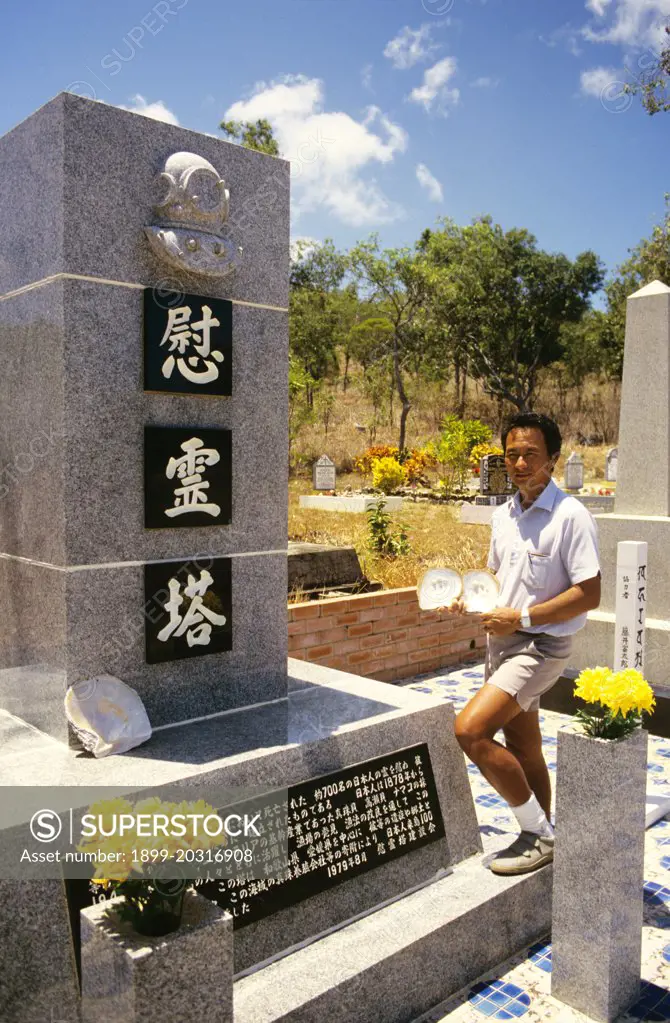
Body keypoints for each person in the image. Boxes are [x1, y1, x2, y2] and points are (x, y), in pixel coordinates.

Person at [448, 412, 601, 875]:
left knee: (470, 731)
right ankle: (546, 827)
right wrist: (471, 598)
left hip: (540, 647)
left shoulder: (571, 516)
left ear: (552, 460)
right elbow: (496, 575)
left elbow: (589, 593)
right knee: (524, 743)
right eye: (511, 453)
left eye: (530, 454)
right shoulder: (504, 514)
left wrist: (524, 615)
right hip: (502, 645)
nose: (518, 462)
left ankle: (537, 832)